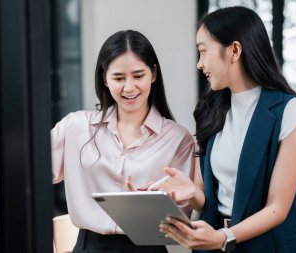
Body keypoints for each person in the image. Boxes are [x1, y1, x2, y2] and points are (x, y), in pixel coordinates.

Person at [157, 6, 296, 253]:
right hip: (216, 242)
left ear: (234, 50)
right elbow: (207, 195)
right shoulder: (210, 109)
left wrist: (224, 237)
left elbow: (277, 207)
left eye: (203, 51)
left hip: (268, 246)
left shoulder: (289, 112)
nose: (199, 64)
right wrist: (192, 192)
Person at [51, 30, 195, 253]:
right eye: (119, 78)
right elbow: (33, 174)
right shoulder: (75, 127)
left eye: (138, 76)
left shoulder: (177, 138)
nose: (129, 88)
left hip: (146, 248)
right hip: (89, 246)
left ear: (153, 74)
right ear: (105, 79)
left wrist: (145, 209)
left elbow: (180, 219)